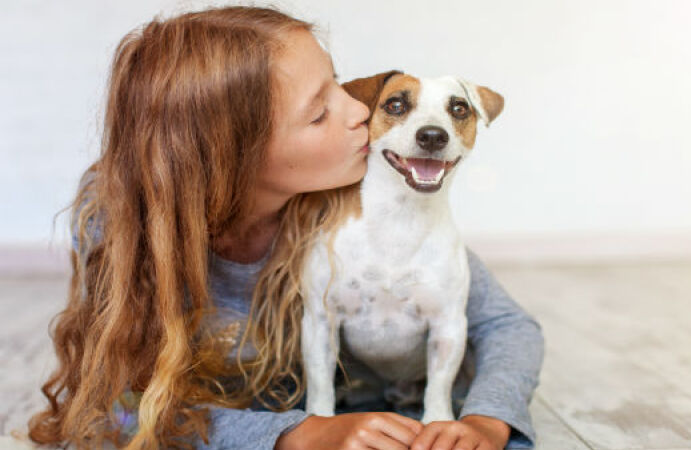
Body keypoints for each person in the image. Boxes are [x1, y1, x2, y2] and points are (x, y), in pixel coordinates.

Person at [26, 6, 545, 450]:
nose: (359, 108)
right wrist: (296, 433)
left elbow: (505, 325)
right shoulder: (125, 229)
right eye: (320, 112)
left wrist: (487, 418)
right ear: (234, 157)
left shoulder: (367, 202)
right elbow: (114, 410)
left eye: (337, 82)